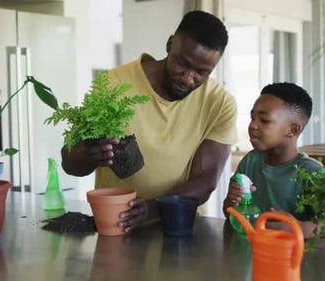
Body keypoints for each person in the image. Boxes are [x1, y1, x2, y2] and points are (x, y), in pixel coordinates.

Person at [61, 11, 237, 233]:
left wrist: (153, 208)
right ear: (170, 44)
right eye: (183, 63)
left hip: (179, 226)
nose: (188, 77)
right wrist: (88, 154)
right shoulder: (113, 84)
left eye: (202, 72)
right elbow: (69, 164)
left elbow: (205, 180)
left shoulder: (220, 103)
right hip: (116, 224)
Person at [222, 82, 325, 238]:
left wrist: (300, 228)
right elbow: (229, 212)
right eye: (252, 118)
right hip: (256, 251)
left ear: (293, 129)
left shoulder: (313, 173)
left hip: (296, 257)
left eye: (264, 120)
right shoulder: (251, 161)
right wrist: (232, 200)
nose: (253, 126)